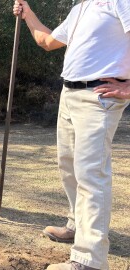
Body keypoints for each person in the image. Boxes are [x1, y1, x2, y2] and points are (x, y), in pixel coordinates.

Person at [13, 0, 130, 269]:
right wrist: (28, 14)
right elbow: (46, 41)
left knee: (91, 175)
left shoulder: (119, 2)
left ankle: (89, 260)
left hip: (99, 96)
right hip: (69, 94)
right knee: (69, 167)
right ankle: (78, 226)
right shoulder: (80, 9)